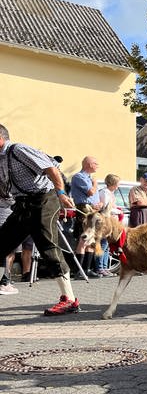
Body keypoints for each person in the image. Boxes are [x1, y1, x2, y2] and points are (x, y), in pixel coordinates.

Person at [0, 123, 80, 315]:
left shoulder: (18, 150)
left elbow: (51, 169)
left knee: (47, 245)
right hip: (23, 203)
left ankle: (69, 300)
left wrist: (61, 193)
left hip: (44, 198)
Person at [71, 156, 104, 278]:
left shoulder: (89, 178)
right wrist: (95, 183)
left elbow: (94, 195)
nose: (97, 165)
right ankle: (79, 270)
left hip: (93, 209)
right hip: (84, 209)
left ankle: (87, 269)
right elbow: (90, 191)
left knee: (91, 240)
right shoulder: (79, 177)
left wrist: (99, 204)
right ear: (88, 164)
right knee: (83, 239)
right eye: (95, 163)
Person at [95, 173, 120, 277]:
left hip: (111, 220)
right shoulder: (105, 192)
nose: (118, 186)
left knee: (107, 246)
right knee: (103, 244)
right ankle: (100, 268)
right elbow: (104, 207)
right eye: (117, 183)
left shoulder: (110, 193)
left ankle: (105, 267)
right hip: (105, 220)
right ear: (113, 183)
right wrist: (118, 211)